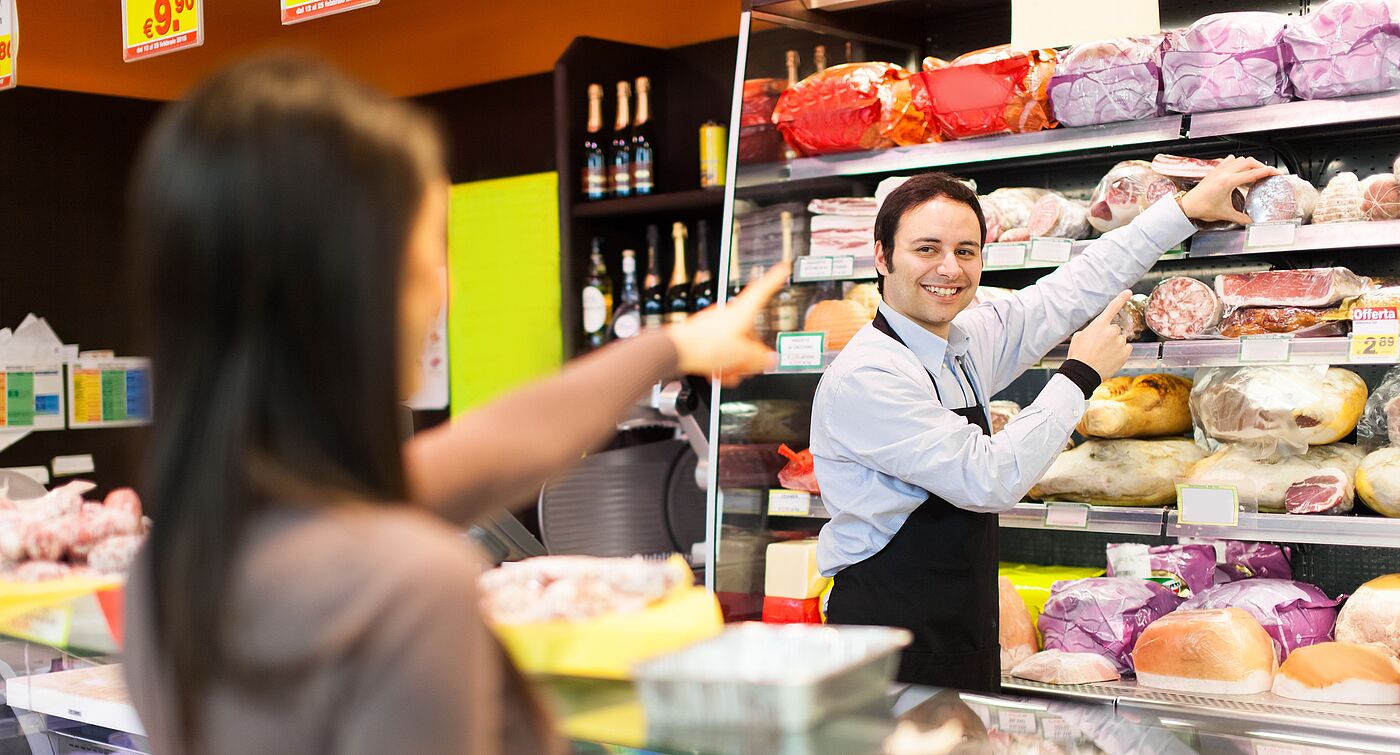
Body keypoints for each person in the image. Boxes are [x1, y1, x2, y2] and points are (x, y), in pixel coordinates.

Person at [123, 56, 787, 755]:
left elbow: (493, 444)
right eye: (421, 254)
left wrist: (673, 345)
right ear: (344, 287)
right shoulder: (405, 586)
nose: (443, 292)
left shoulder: (179, 556)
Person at [812, 161, 1277, 693]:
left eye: (966, 251)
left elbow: (1066, 291)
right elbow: (986, 480)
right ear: (882, 256)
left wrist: (1183, 210)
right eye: (926, 249)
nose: (950, 268)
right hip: (887, 639)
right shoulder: (870, 375)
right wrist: (1079, 374)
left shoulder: (959, 344)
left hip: (962, 624)